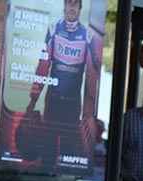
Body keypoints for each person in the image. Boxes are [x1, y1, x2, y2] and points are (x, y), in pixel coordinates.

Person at [29, 0, 100, 157]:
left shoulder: (88, 36)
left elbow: (92, 75)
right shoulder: (53, 29)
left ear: (80, 8)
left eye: (75, 4)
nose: (72, 7)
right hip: (53, 100)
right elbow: (43, 66)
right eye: (69, 3)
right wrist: (33, 100)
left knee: (69, 152)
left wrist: (89, 112)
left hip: (72, 103)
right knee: (47, 149)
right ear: (64, 6)